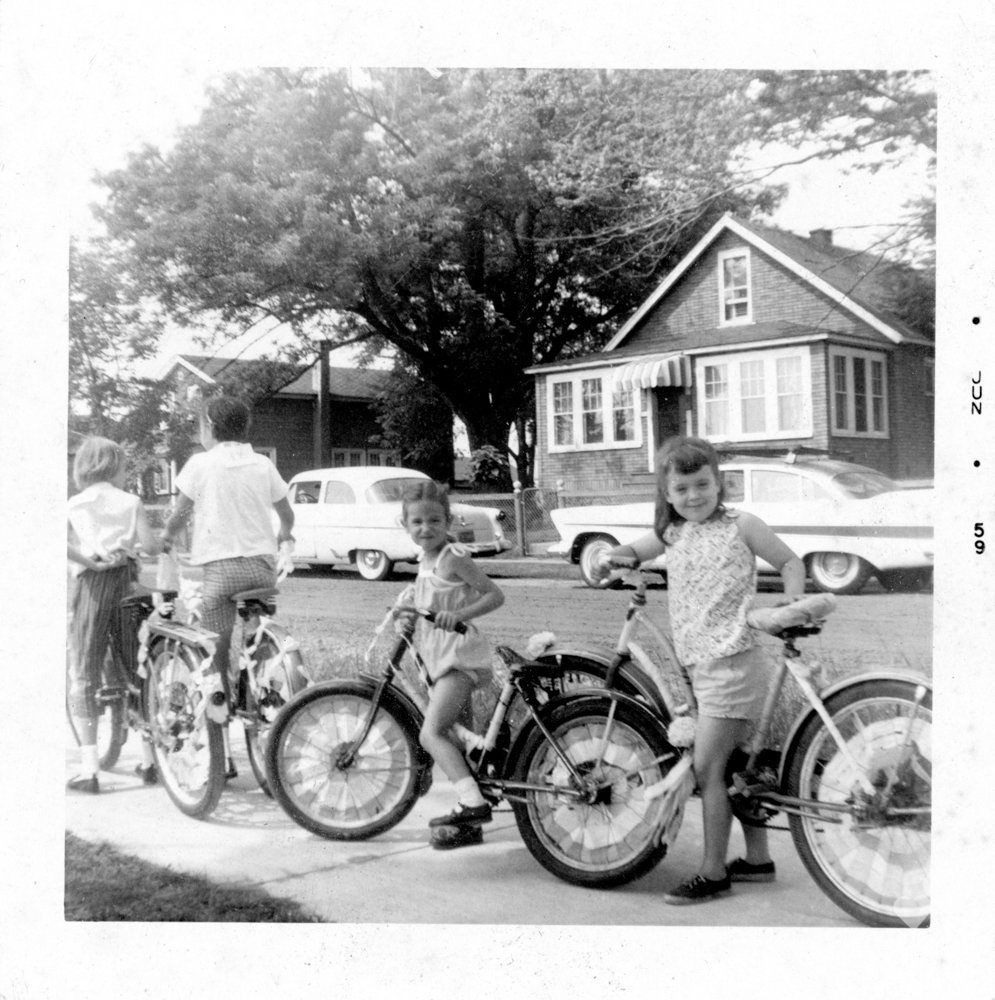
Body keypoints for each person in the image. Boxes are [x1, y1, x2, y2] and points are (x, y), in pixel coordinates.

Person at [602, 435, 806, 905]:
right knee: (737, 764)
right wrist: (614, 557)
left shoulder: (742, 525)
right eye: (682, 489)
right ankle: (757, 861)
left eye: (702, 485)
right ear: (667, 494)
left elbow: (789, 561)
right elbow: (635, 548)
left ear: (719, 483)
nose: (694, 496)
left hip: (733, 659)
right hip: (705, 663)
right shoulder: (674, 531)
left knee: (707, 769)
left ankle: (713, 872)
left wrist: (791, 601)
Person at [161, 395, 294, 750]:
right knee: (255, 634)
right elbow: (286, 513)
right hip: (263, 569)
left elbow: (180, 513)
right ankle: (261, 688)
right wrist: (285, 535)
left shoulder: (200, 463)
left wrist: (166, 537)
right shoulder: (262, 463)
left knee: (213, 652)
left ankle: (220, 736)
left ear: (209, 426)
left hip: (221, 572)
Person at [398, 480, 505, 832]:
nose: (425, 528)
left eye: (434, 520)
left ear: (448, 522)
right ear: (406, 526)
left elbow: (494, 596)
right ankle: (475, 807)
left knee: (432, 733)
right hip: (438, 658)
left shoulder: (453, 558)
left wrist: (460, 615)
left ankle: (472, 803)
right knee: (461, 735)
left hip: (459, 658)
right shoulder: (425, 559)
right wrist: (409, 610)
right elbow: (431, 601)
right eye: (417, 522)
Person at [67, 437, 164, 793]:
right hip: (125, 584)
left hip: (91, 585)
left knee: (85, 672)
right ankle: (149, 760)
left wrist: (89, 559)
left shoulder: (75, 504)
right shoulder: (131, 501)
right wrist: (135, 548)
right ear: (114, 466)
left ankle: (90, 768)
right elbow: (151, 546)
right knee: (135, 669)